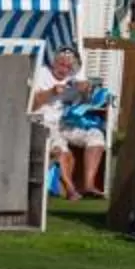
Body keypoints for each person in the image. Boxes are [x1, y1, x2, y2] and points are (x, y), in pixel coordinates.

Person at [32, 49, 112, 199]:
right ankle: (70, 190)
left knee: (96, 137)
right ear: (53, 62)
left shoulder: (75, 78)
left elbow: (89, 102)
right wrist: (52, 92)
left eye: (68, 67)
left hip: (65, 121)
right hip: (43, 120)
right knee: (62, 150)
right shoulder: (41, 73)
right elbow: (32, 105)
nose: (64, 69)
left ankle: (89, 185)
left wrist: (87, 91)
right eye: (61, 64)